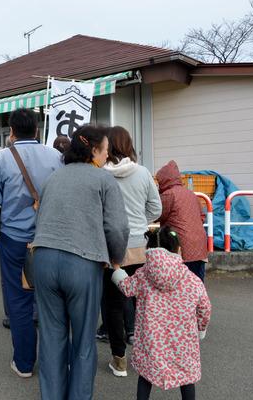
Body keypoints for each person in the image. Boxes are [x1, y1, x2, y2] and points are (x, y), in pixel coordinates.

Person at [32, 125, 130, 399]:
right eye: (106, 151)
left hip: (43, 259)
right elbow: (117, 229)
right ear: (94, 150)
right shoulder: (103, 180)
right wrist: (116, 259)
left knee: (51, 338)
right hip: (82, 262)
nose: (106, 156)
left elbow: (39, 219)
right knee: (84, 341)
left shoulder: (53, 178)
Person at [0, 108, 63, 378]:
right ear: (37, 130)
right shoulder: (57, 157)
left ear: (11, 132)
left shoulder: (0, 159)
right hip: (51, 239)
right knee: (53, 301)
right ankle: (57, 365)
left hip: (14, 240)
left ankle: (25, 363)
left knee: (19, 301)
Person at [111, 226, 212, 400]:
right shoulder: (191, 279)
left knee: (146, 375)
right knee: (187, 377)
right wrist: (200, 329)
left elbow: (127, 288)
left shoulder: (143, 275)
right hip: (184, 341)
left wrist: (117, 269)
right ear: (178, 250)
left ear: (148, 250)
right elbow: (205, 307)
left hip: (151, 341)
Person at [99, 126, 162, 377]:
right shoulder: (143, 172)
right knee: (141, 300)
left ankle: (119, 359)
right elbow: (156, 208)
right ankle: (146, 354)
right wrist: (138, 222)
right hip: (139, 246)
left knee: (113, 306)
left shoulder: (101, 175)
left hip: (110, 248)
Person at [155, 160, 209, 281]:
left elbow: (158, 215)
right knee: (197, 283)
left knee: (181, 287)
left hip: (181, 247)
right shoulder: (191, 194)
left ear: (164, 180)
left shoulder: (168, 195)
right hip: (200, 246)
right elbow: (202, 217)